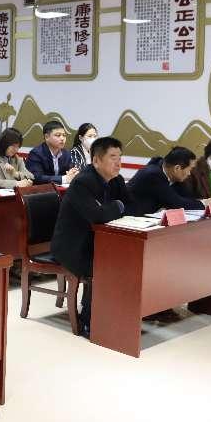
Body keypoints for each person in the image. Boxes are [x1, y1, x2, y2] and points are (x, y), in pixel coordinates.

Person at [51, 137, 130, 337]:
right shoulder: (83, 182)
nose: (118, 162)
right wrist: (117, 206)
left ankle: (118, 314)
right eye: (112, 157)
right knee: (103, 265)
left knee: (129, 260)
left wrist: (116, 207)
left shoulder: (116, 180)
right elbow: (97, 215)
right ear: (96, 160)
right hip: (73, 246)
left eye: (120, 157)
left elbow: (131, 206)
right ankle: (89, 320)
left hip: (98, 241)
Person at [127, 146, 211, 214]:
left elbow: (186, 197)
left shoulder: (173, 175)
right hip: (131, 219)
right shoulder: (153, 175)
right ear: (177, 168)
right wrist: (204, 203)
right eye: (189, 169)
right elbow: (176, 202)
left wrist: (206, 201)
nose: (189, 173)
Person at [26, 121, 78, 185]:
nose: (62, 138)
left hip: (62, 189)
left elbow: (71, 171)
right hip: (43, 190)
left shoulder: (66, 153)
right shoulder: (36, 154)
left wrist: (73, 173)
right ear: (47, 137)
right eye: (58, 135)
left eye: (64, 135)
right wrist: (63, 179)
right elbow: (36, 177)